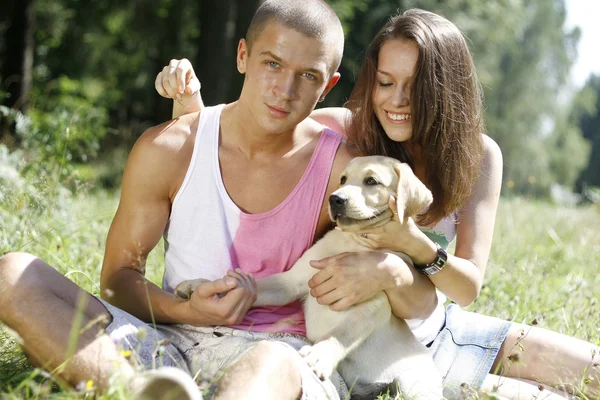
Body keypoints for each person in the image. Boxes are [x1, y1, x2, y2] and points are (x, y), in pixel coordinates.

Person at [0, 1, 441, 399]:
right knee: (12, 274)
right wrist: (183, 309)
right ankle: (140, 391)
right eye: (272, 63)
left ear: (328, 86)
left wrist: (389, 268)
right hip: (167, 337)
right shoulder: (170, 148)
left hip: (281, 356)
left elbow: (419, 297)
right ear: (243, 56)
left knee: (270, 364)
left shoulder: (341, 172)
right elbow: (117, 278)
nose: (284, 90)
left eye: (307, 76)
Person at [160, 8, 600, 400]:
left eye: (416, 86)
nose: (397, 100)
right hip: (376, 348)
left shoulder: (479, 155)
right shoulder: (346, 130)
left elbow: (466, 287)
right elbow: (250, 124)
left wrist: (403, 248)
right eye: (385, 83)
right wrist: (190, 102)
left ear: (447, 89)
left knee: (594, 373)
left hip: (443, 331)